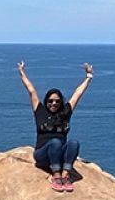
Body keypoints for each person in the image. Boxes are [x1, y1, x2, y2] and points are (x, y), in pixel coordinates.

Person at [17, 61, 93, 192]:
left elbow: (77, 94)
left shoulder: (65, 112)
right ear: (46, 101)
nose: (54, 103)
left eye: (57, 101)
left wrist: (88, 77)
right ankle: (56, 176)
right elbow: (31, 90)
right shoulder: (40, 111)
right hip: (43, 156)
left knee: (74, 143)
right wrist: (22, 72)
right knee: (55, 142)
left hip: (60, 156)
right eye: (51, 101)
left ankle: (65, 175)